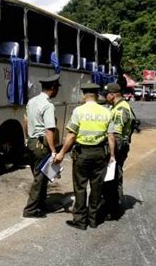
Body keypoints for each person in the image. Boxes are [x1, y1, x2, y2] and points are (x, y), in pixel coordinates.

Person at [54, 83, 115, 230]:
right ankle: (93, 220)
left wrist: (62, 152)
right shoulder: (107, 111)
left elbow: (72, 135)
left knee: (80, 187)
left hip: (82, 154)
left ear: (84, 95)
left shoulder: (79, 111)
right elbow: (111, 136)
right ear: (96, 95)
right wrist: (112, 155)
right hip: (100, 154)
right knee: (96, 187)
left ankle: (80, 221)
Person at [22, 74, 61, 218]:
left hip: (32, 142)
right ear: (52, 88)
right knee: (40, 178)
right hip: (42, 144)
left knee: (42, 176)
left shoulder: (32, 101)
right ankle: (30, 210)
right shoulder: (48, 105)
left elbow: (25, 120)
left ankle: (42, 204)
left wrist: (27, 137)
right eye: (56, 88)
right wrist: (53, 151)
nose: (57, 91)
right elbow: (49, 129)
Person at [102, 83, 133, 220]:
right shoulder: (118, 106)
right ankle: (112, 206)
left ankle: (113, 209)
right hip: (119, 147)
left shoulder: (120, 109)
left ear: (112, 95)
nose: (105, 97)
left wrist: (111, 154)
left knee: (113, 177)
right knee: (113, 177)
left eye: (106, 94)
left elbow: (117, 136)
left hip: (118, 148)